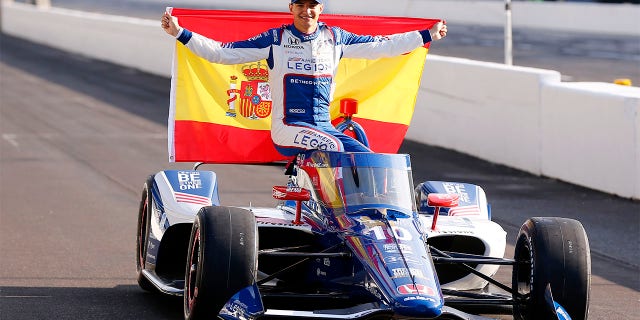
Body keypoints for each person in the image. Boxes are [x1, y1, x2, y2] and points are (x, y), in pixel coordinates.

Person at [161, 0, 447, 156]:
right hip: (287, 128)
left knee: (369, 157)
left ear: (321, 9)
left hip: (325, 127)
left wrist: (426, 35)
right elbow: (222, 53)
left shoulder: (336, 38)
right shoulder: (275, 38)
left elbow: (382, 47)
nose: (306, 11)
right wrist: (180, 33)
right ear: (291, 8)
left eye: (313, 5)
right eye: (300, 4)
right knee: (346, 151)